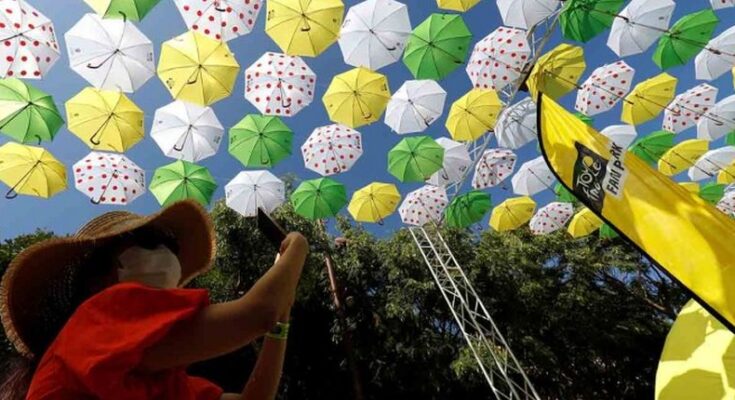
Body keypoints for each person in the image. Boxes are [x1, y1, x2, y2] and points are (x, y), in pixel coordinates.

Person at [0, 200, 309, 400]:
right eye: (150, 243)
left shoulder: (163, 378)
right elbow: (258, 311)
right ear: (100, 277)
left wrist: (282, 317)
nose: (167, 255)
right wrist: (298, 247)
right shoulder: (99, 316)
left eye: (170, 246)